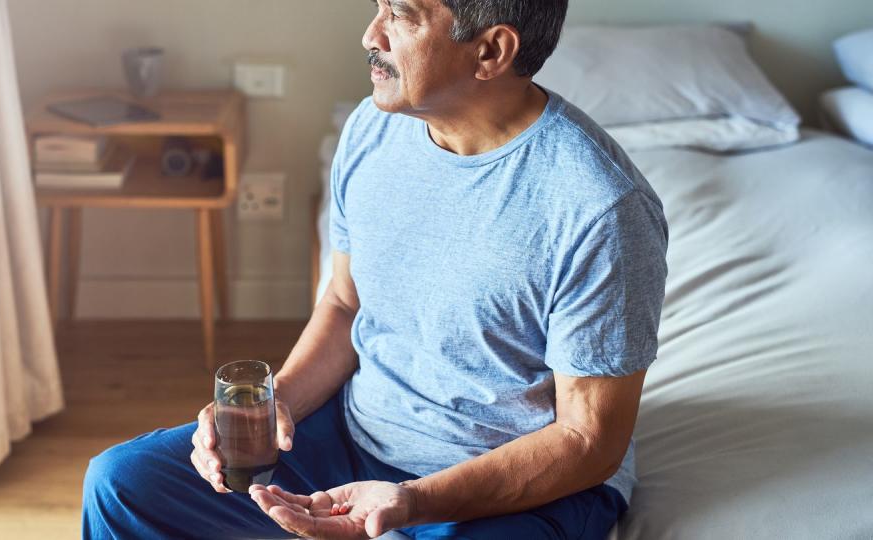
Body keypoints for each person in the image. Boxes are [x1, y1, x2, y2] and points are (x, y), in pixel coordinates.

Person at [82, 0, 668, 538]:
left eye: (404, 16)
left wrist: (410, 501)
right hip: (357, 432)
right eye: (379, 6)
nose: (371, 35)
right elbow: (344, 304)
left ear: (490, 51)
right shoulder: (372, 129)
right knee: (121, 485)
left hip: (514, 486)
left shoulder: (600, 210)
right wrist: (277, 402)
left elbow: (588, 442)